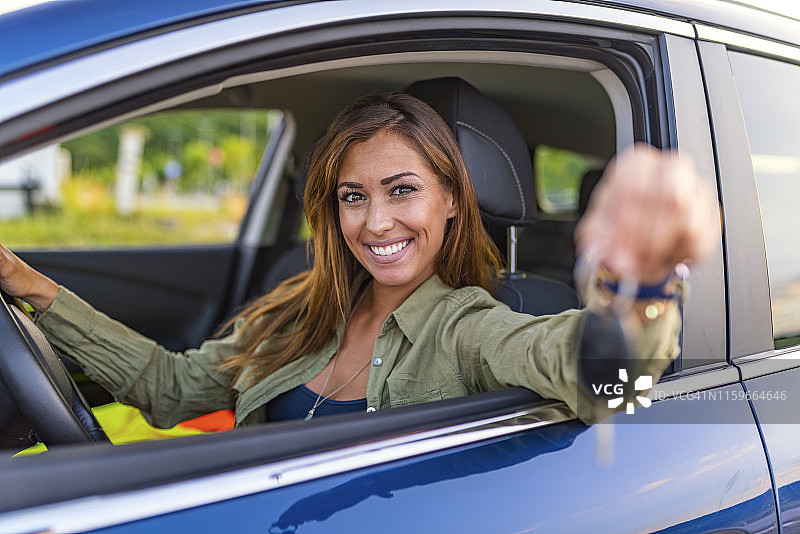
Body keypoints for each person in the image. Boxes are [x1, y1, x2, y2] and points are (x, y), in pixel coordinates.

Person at [0, 93, 719, 427]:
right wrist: (24, 282)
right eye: (352, 196)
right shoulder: (294, 307)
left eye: (401, 190)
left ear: (449, 202)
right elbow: (168, 387)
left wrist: (646, 284)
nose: (375, 223)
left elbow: (612, 388)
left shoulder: (469, 326)